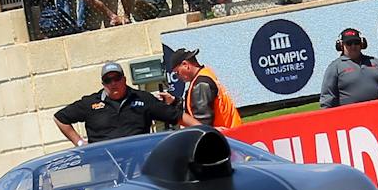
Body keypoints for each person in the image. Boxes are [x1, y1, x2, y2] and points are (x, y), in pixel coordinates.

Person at [54, 61, 183, 145]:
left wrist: (201, 129)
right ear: (103, 84)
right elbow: (60, 118)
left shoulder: (143, 99)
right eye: (108, 80)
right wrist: (80, 143)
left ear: (124, 79)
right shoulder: (90, 103)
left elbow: (177, 117)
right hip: (104, 167)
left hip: (138, 163)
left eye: (116, 78)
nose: (113, 83)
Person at [319, 28, 378, 109]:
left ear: (362, 43)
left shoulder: (374, 62)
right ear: (341, 45)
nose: (353, 46)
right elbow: (327, 96)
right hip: (350, 117)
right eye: (349, 43)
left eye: (356, 42)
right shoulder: (335, 67)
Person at [169, 47, 240, 129]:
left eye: (177, 72)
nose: (178, 77)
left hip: (224, 137)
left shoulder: (200, 85)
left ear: (185, 65)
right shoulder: (205, 74)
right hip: (231, 132)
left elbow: (202, 125)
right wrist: (174, 101)